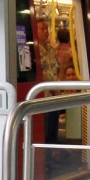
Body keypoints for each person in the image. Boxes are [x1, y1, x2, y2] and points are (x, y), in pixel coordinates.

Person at [35, 17, 61, 147]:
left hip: (54, 97)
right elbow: (41, 74)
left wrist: (59, 87)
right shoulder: (35, 51)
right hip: (44, 97)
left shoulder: (51, 50)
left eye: (47, 29)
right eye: (42, 29)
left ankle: (53, 154)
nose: (45, 31)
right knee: (45, 129)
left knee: (53, 129)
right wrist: (52, 88)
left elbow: (58, 69)